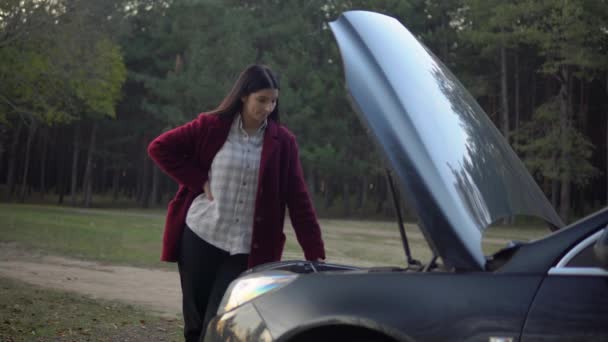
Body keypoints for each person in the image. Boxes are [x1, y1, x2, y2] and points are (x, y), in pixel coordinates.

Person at [147, 64, 325, 341]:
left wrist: (313, 249)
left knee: (221, 320)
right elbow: (160, 147)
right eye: (261, 100)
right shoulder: (210, 126)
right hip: (201, 234)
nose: (268, 107)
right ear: (244, 96)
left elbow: (298, 197)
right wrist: (197, 179)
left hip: (246, 247)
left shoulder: (283, 142)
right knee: (195, 324)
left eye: (273, 100)